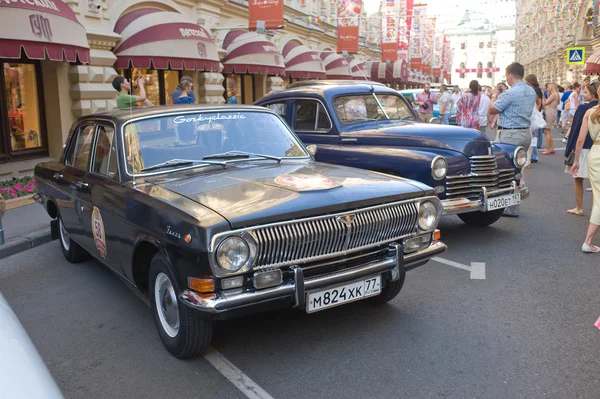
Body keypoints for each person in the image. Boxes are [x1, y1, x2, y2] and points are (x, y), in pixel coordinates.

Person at [489, 62, 536, 217]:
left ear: (509, 75)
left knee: (505, 172)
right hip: (525, 133)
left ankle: (509, 207)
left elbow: (492, 109)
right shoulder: (531, 91)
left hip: (510, 135)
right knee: (517, 170)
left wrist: (495, 94)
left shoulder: (510, 93)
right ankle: (513, 207)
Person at [565, 81, 600, 217]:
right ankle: (596, 212)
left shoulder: (584, 109)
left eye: (585, 92)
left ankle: (579, 208)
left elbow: (576, 132)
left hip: (585, 148)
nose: (583, 94)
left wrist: (571, 151)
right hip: (597, 148)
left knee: (578, 179)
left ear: (593, 94)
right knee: (595, 183)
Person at [570, 93, 600, 253]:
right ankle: (588, 241)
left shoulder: (590, 112)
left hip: (594, 152)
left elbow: (580, 140)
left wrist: (576, 162)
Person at [524, 74, 543, 163]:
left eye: (526, 81)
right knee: (533, 136)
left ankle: (534, 156)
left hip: (533, 115)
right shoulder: (535, 89)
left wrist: (536, 111)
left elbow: (538, 101)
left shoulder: (535, 90)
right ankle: (533, 155)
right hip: (533, 114)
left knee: (532, 136)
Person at [542, 82, 559, 155]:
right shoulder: (556, 94)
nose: (547, 88)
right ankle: (551, 148)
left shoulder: (553, 95)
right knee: (548, 131)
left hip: (550, 112)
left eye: (548, 87)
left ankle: (548, 149)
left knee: (547, 131)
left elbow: (545, 103)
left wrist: (542, 95)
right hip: (553, 111)